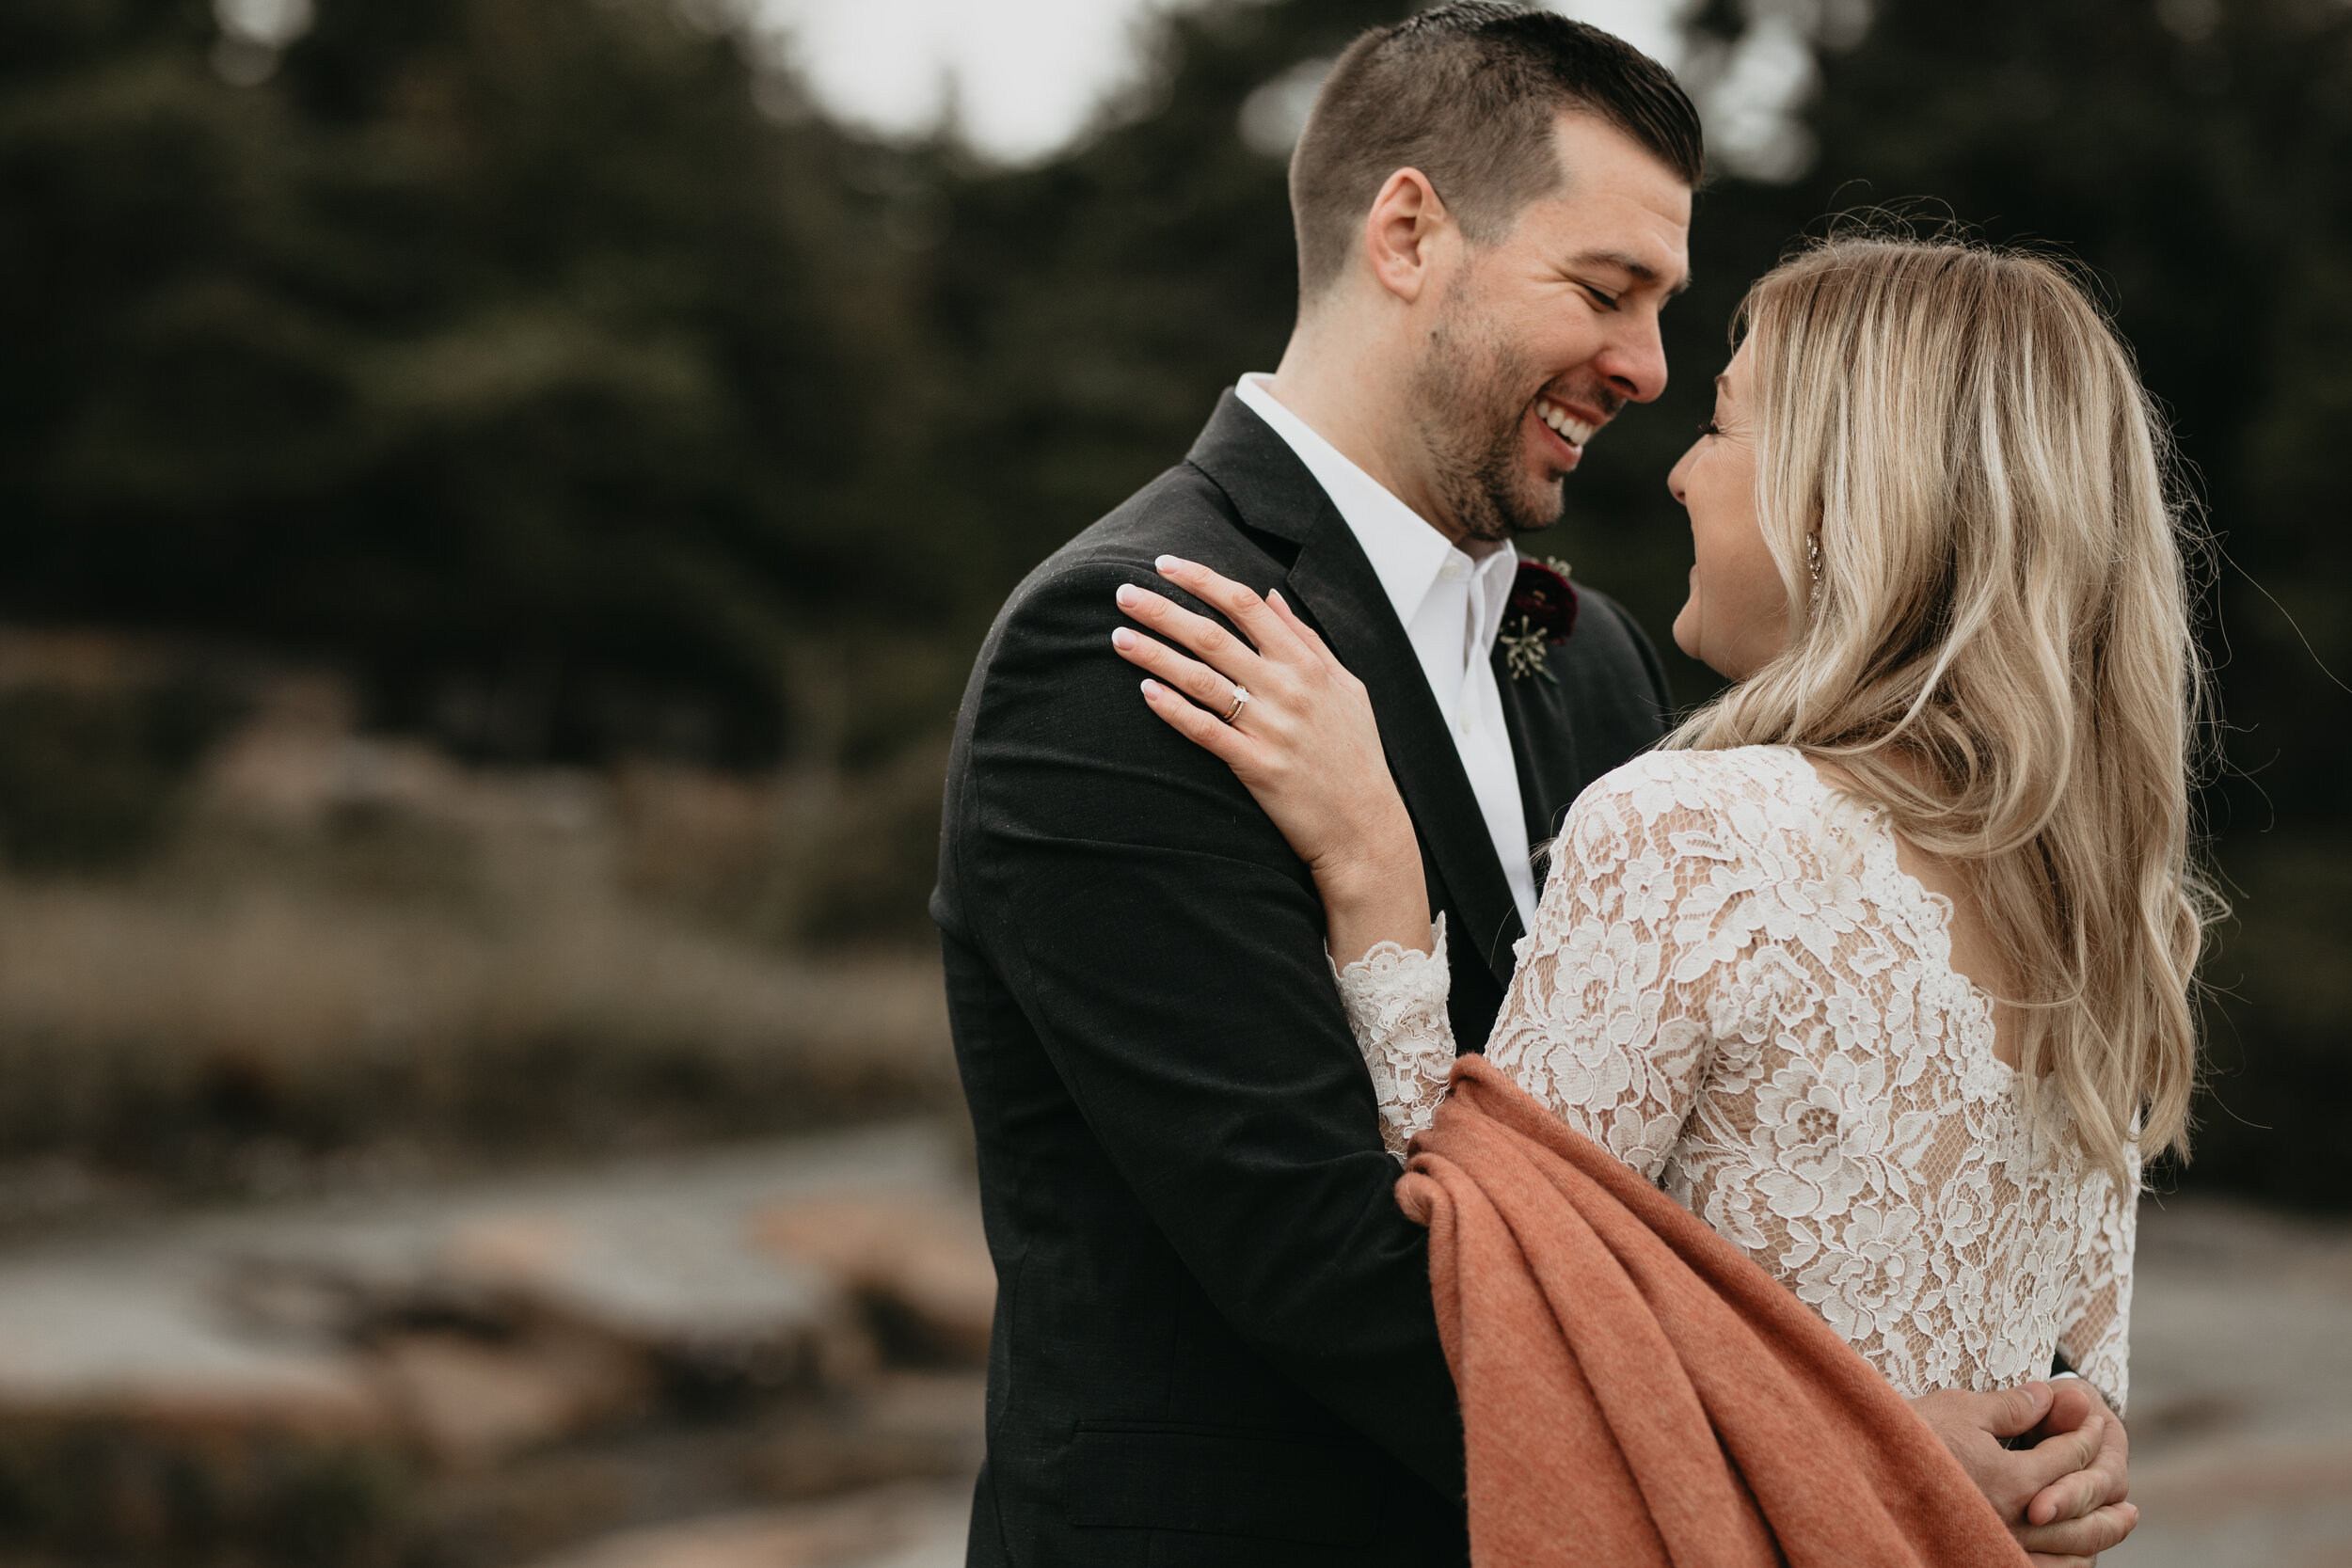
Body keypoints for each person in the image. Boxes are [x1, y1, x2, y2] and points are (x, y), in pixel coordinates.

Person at [932, 6, 2135, 1563]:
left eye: (1664, 311)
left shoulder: (1602, 663)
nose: (1644, 368)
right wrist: (1870, 1452)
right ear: (1411, 233)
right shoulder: (1133, 643)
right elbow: (1330, 1269)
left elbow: (1692, 1202)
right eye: (1605, 290)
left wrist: (2021, 1401)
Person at [1113, 234, 2199, 1552]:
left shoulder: (1696, 835)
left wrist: (1377, 882)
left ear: (1835, 497)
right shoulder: (2103, 907)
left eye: (1724, 428)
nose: (1681, 473)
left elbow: (1485, 1300)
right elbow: (2078, 1409)